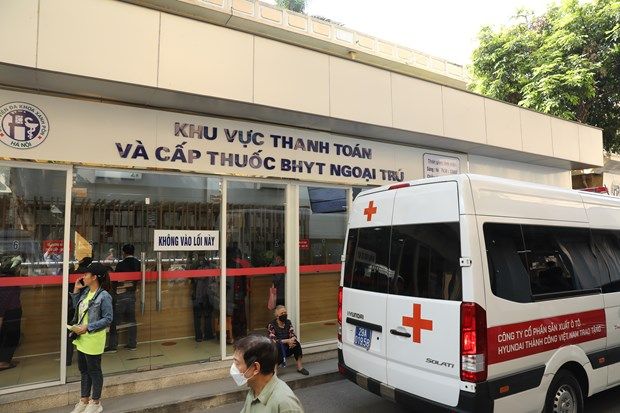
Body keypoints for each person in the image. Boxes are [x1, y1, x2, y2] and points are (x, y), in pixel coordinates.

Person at [69, 263, 113, 413]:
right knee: (84, 370)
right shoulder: (86, 292)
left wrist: (88, 327)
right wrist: (76, 290)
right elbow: (78, 309)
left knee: (94, 370)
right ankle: (84, 400)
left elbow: (108, 319)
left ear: (94, 277)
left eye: (86, 274)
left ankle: (95, 402)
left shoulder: (104, 296)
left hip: (93, 338)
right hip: (82, 338)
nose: (83, 277)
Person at [231, 335, 304, 413]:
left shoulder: (286, 404)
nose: (233, 367)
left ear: (256, 368)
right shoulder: (254, 390)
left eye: (237, 363)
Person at [107, 244, 139, 352]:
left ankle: (113, 346)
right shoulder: (138, 263)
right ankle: (132, 344)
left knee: (116, 322)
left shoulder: (121, 264)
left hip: (121, 295)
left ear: (124, 252)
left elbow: (116, 280)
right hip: (132, 294)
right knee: (132, 321)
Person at [266, 306, 309, 376]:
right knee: (277, 345)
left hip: (287, 346)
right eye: (282, 313)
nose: (284, 314)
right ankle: (275, 371)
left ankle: (300, 367)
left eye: (285, 312)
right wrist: (287, 341)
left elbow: (293, 334)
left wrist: (292, 340)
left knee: (296, 343)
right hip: (277, 348)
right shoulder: (271, 325)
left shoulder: (288, 322)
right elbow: (273, 339)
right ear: (277, 316)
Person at [0, 254, 23, 372]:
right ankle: (3, 362)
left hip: (10, 312)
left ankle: (4, 360)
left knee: (7, 336)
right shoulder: (9, 281)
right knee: (11, 336)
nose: (20, 269)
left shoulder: (9, 279)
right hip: (10, 312)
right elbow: (4, 300)